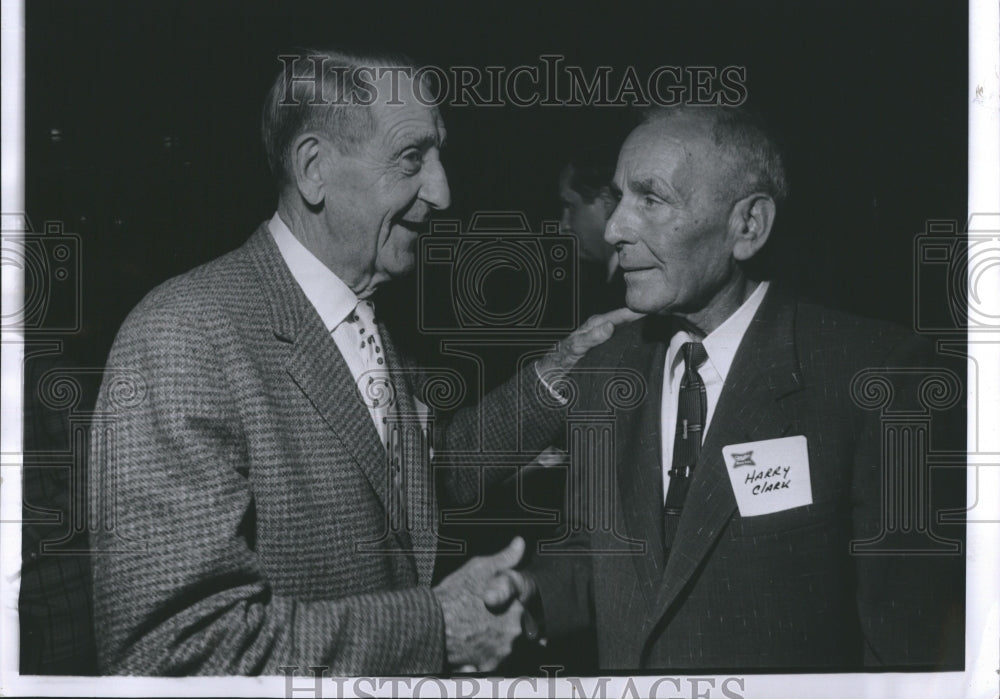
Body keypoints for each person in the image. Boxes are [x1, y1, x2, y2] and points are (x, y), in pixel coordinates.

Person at [88, 50, 637, 676]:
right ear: (314, 169)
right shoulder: (183, 336)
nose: (442, 191)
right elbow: (172, 654)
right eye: (411, 159)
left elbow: (431, 480)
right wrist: (438, 630)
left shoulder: (371, 315)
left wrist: (562, 366)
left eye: (438, 157)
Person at [486, 105, 965, 671]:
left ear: (748, 226)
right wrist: (533, 593)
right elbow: (602, 559)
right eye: (617, 199)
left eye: (652, 199)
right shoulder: (605, 371)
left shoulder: (873, 376)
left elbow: (907, 640)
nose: (615, 229)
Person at [557, 148, 625, 320]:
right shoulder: (614, 284)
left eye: (570, 206)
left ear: (606, 201)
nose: (563, 225)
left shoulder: (628, 289)